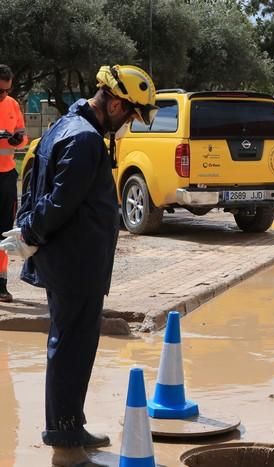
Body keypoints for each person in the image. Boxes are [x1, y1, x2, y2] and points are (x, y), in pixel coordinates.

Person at [4, 65, 157, 467]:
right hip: (76, 264)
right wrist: (29, 235)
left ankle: (71, 427)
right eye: (131, 116)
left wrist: (28, 234)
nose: (129, 125)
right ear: (117, 103)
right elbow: (58, 202)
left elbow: (44, 185)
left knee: (73, 346)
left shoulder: (67, 126)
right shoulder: (85, 139)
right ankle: (66, 448)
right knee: (71, 350)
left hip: (75, 261)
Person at [0, 65, 29, 302]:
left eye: (6, 90)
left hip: (7, 176)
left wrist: (18, 140)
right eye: (0, 90)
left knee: (4, 232)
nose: (3, 95)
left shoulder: (12, 105)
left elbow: (23, 136)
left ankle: (1, 284)